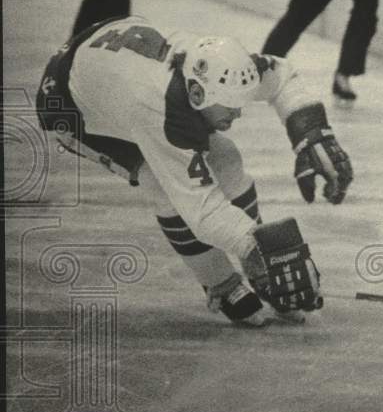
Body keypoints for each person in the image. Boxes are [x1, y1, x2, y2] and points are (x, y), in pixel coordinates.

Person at [36, 16, 353, 326]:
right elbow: (200, 209)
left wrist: (311, 132)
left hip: (106, 58)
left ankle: (255, 268)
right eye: (229, 106)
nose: (238, 113)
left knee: (225, 157)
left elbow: (280, 74)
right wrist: (258, 248)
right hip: (69, 108)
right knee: (160, 183)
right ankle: (220, 284)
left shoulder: (214, 67)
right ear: (198, 95)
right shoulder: (156, 110)